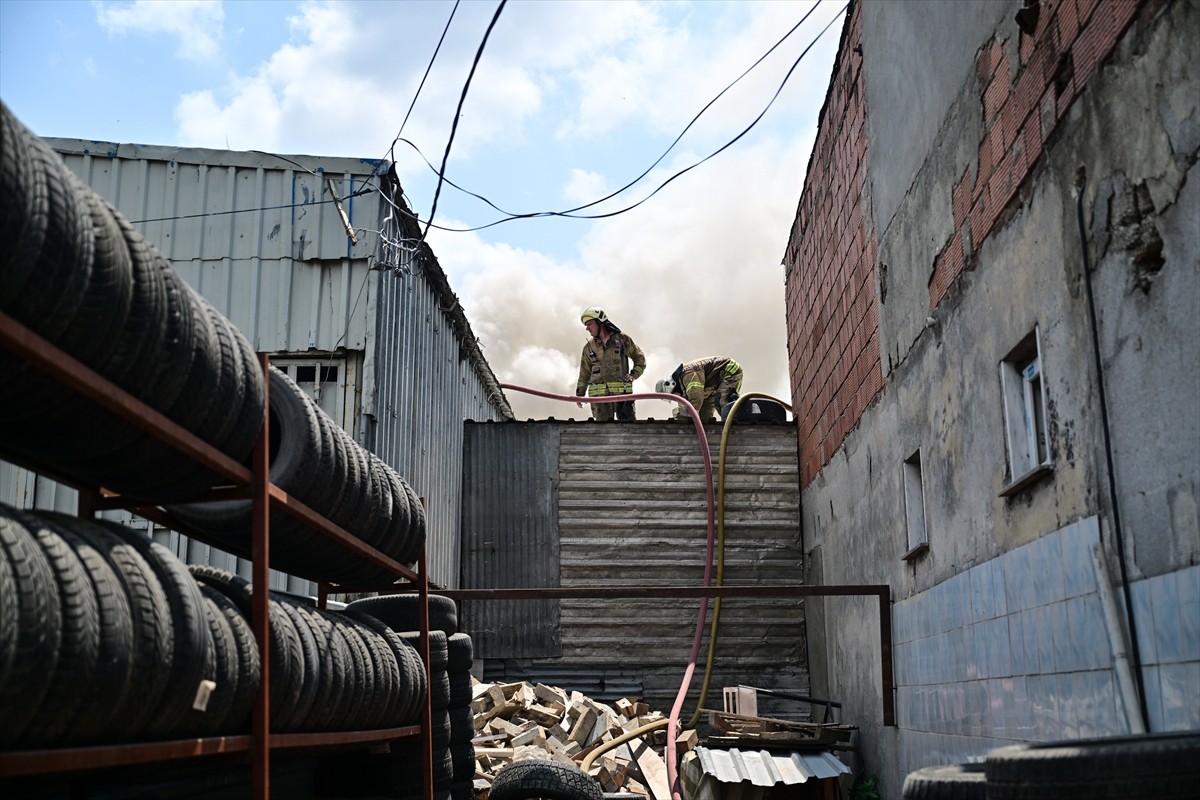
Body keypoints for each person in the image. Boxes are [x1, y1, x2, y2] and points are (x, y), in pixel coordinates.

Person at [575, 307, 646, 421]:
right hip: (600, 402)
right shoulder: (589, 347)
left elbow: (640, 358)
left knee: (628, 432)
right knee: (604, 435)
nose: (587, 328)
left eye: (590, 324)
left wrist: (634, 374)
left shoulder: (623, 340)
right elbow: (584, 373)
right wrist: (580, 394)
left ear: (600, 322)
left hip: (623, 399)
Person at [656, 356, 743, 422]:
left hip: (729, 370)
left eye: (672, 396)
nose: (676, 399)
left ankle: (732, 428)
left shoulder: (687, 374)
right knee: (704, 415)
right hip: (713, 385)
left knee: (722, 400)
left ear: (671, 385)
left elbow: (696, 397)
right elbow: (686, 406)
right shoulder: (682, 390)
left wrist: (691, 413)